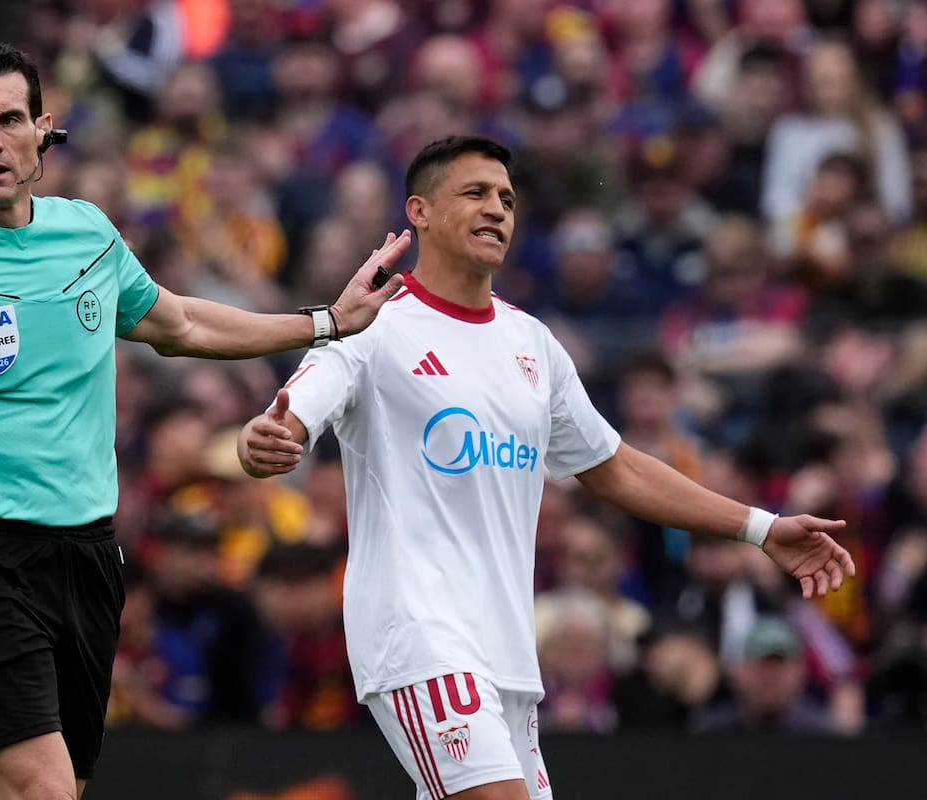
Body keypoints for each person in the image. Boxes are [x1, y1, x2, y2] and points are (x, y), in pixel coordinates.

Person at [0, 43, 409, 800]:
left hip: (87, 557)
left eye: (9, 119)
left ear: (42, 129)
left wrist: (327, 321)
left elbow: (180, 325)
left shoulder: (88, 235)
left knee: (47, 792)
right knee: (42, 788)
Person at [237, 135, 855, 800]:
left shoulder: (531, 343)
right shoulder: (374, 325)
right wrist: (263, 440)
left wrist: (762, 529)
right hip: (418, 635)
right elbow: (288, 415)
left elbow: (615, 466)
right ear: (419, 211)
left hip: (507, 654)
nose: (497, 209)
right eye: (475, 193)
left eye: (506, 199)